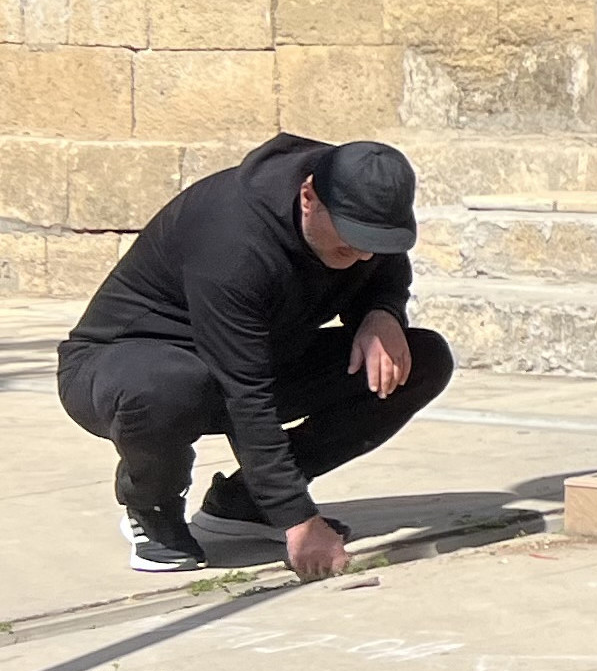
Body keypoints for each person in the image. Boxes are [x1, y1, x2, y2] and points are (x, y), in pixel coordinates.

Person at [56, 134, 453, 583]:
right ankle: (151, 503)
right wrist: (298, 521)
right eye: (350, 244)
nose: (363, 254)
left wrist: (382, 312)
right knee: (171, 387)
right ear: (308, 198)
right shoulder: (234, 241)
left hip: (255, 355)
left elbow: (385, 269)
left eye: (375, 242)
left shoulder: (357, 197)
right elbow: (245, 393)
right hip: (123, 365)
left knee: (421, 360)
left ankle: (244, 503)